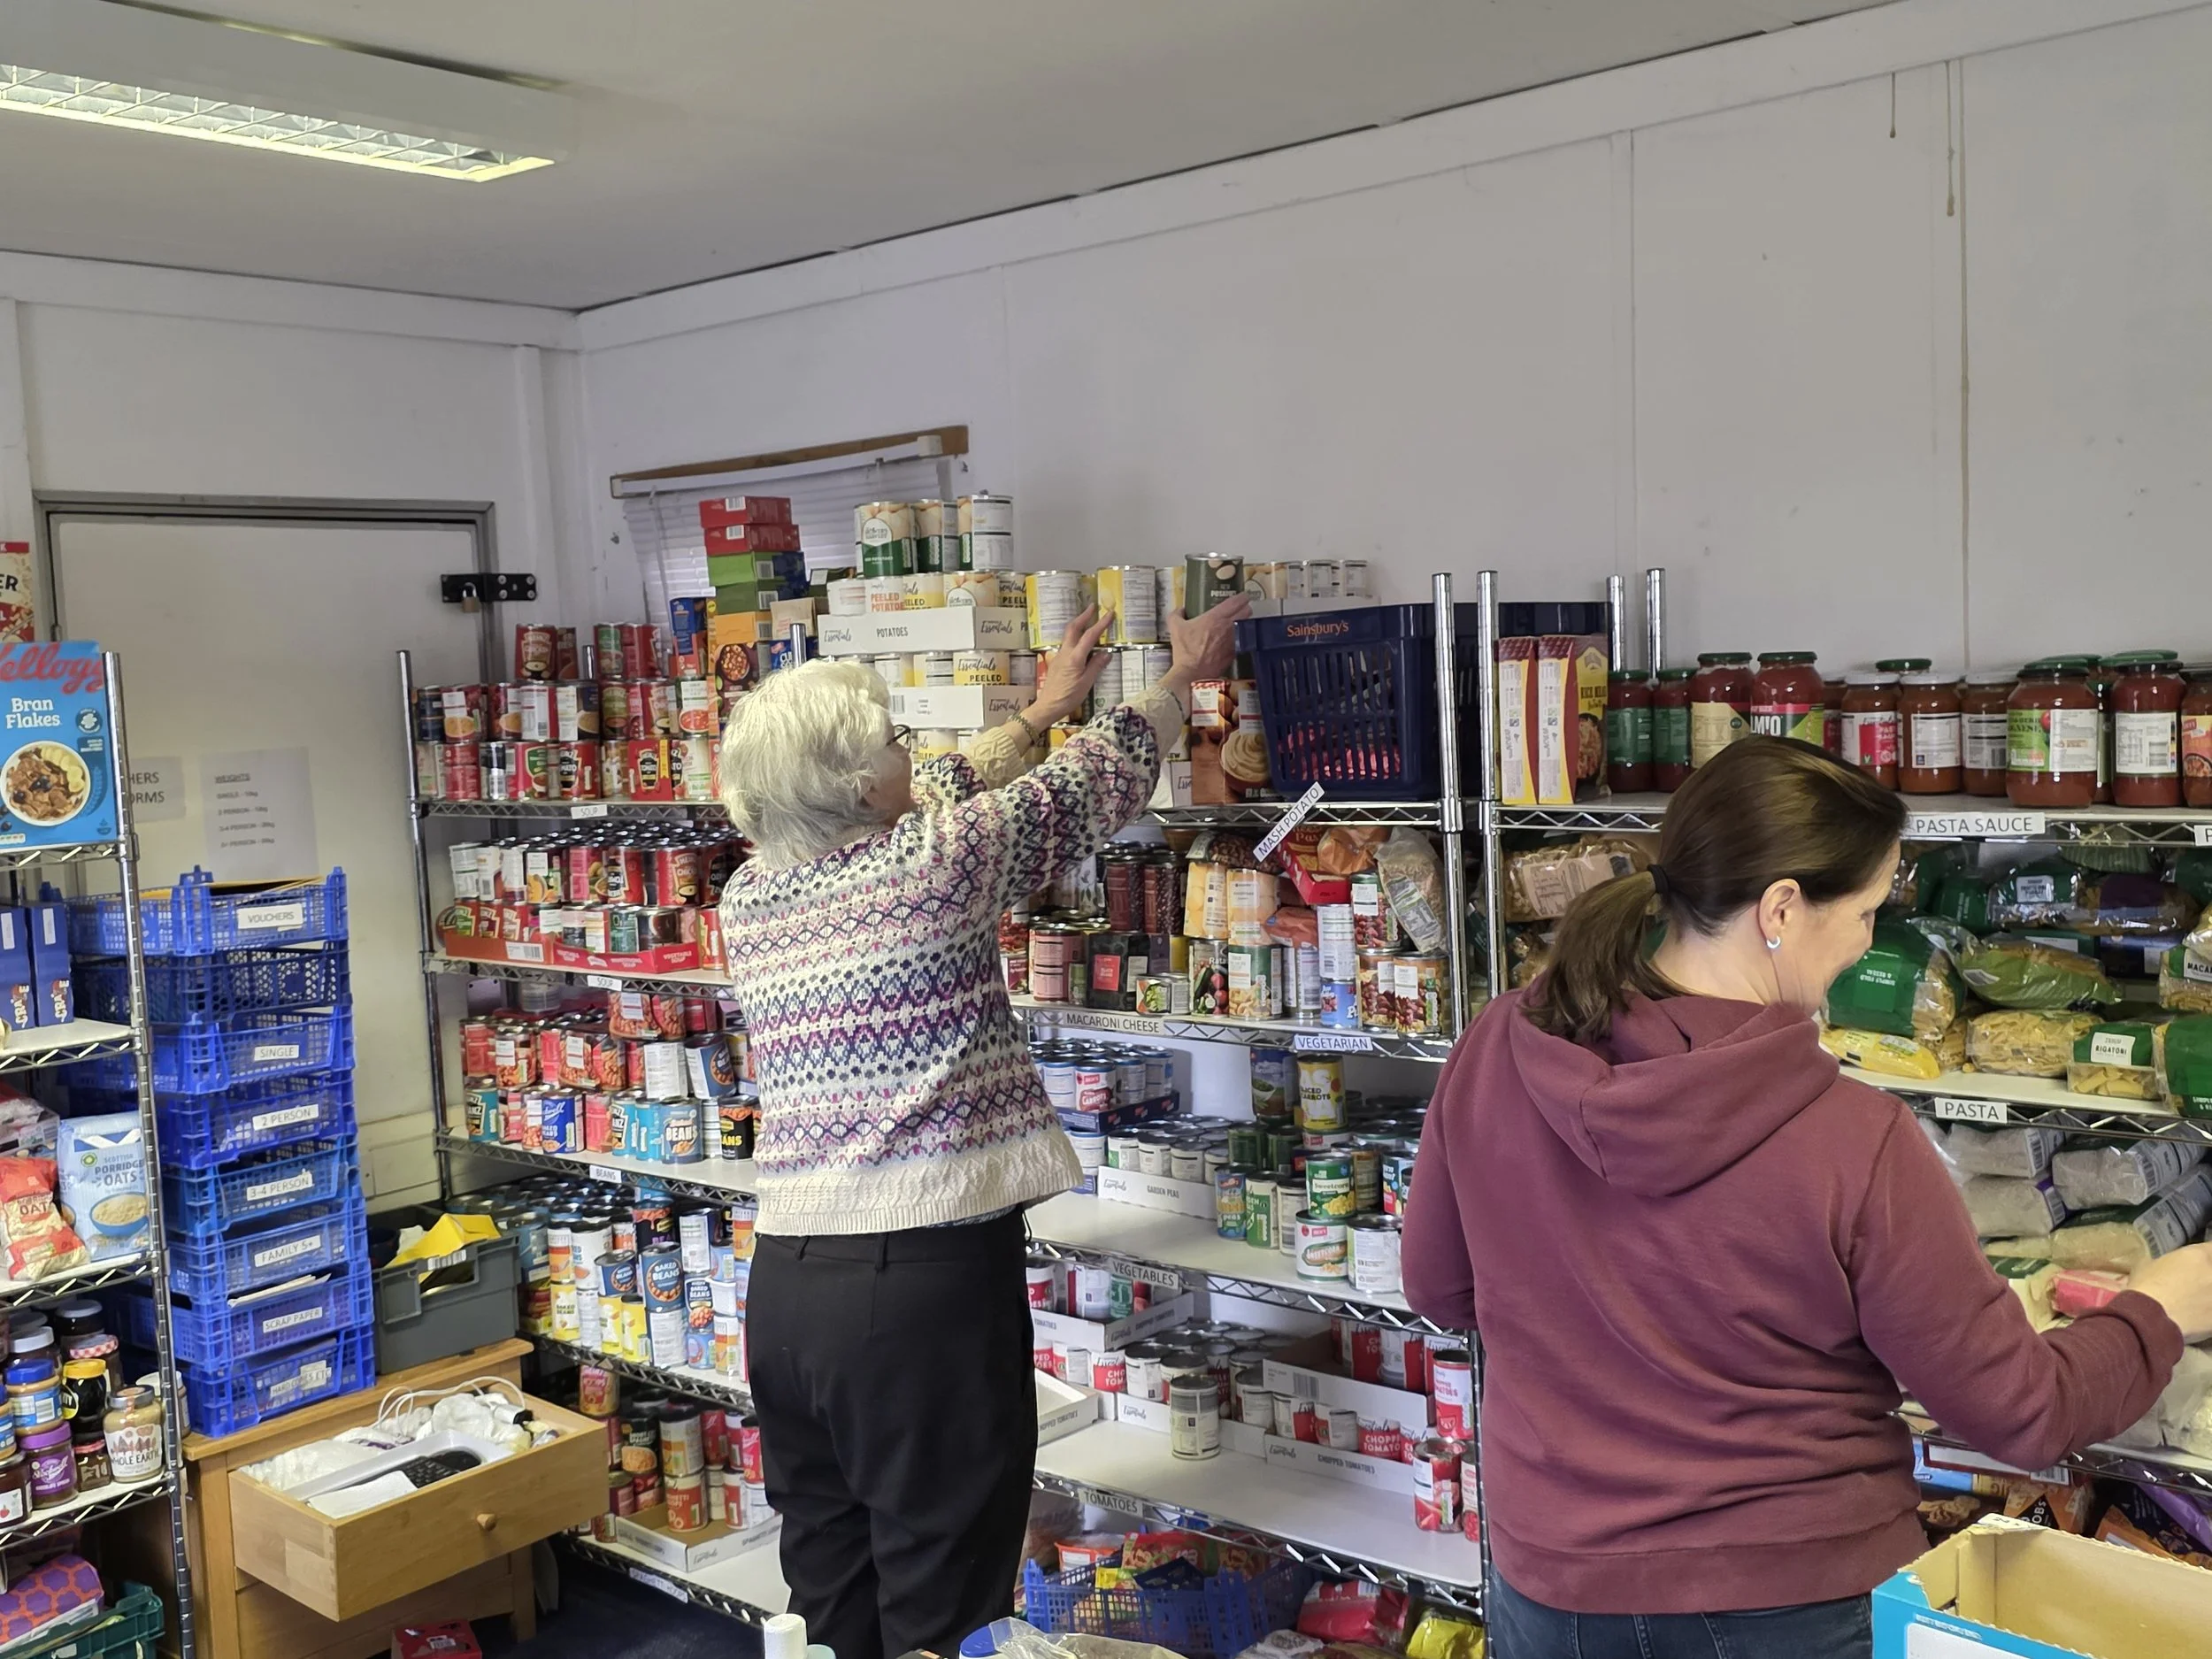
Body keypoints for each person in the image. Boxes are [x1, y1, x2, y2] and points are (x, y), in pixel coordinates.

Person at [1402, 735, 2212, 1659]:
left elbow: (1438, 1290)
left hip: (1548, 1586)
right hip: (1786, 1598)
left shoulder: (1500, 1044)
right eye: (1868, 912)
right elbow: (2021, 1413)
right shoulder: (1853, 1139)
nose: (1867, 941)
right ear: (1781, 909)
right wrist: (2159, 1310)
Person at [715, 595, 1248, 1659]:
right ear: (860, 783)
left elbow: (942, 800)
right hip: (917, 1291)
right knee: (947, 1597)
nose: (912, 760)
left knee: (831, 1590)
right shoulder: (930, 866)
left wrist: (1041, 705)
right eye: (894, 746)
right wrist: (1179, 680)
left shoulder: (751, 894)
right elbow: (1086, 787)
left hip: (787, 1290)